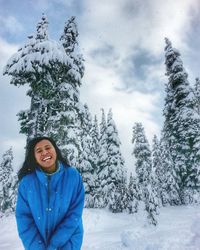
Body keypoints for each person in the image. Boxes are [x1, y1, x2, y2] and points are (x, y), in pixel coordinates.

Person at [15, 136, 85, 250]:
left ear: (55, 150)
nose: (44, 152)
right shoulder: (27, 183)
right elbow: (24, 219)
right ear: (34, 157)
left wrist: (55, 244)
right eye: (39, 151)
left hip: (70, 242)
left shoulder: (73, 175)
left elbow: (75, 214)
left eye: (48, 147)